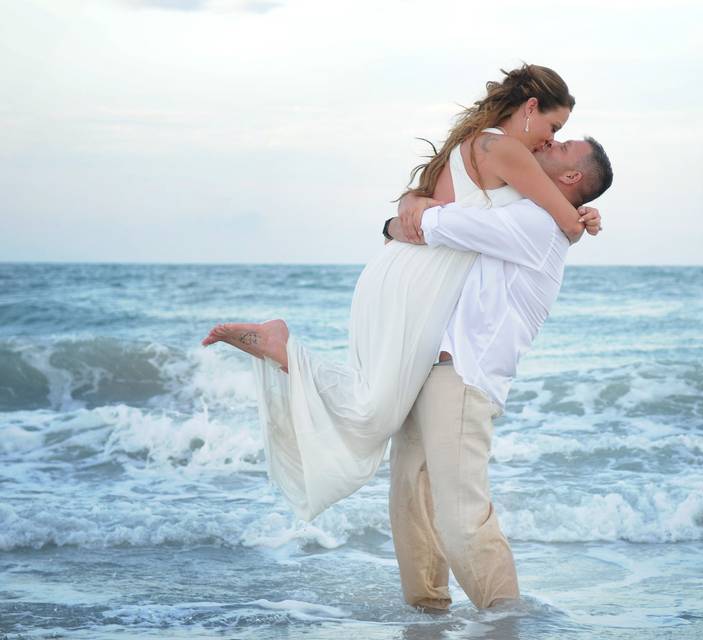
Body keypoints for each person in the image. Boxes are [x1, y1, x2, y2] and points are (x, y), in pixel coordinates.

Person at [200, 64, 599, 523]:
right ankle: (281, 345)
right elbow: (561, 219)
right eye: (554, 127)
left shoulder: (475, 143)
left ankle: (283, 348)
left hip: (402, 270)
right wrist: (585, 218)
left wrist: (407, 209)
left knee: (375, 402)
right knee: (375, 412)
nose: (550, 140)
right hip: (422, 278)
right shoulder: (506, 148)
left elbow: (427, 204)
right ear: (531, 108)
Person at [384, 136, 613, 611]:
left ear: (571, 178)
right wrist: (408, 209)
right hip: (430, 367)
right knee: (411, 503)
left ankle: (505, 620)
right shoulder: (523, 207)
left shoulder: (537, 223)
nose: (549, 141)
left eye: (563, 144)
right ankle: (427, 617)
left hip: (463, 377)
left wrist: (401, 214)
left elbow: (434, 225)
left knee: (461, 516)